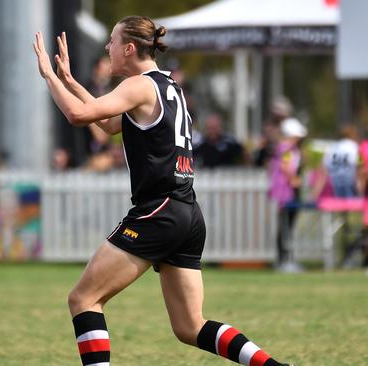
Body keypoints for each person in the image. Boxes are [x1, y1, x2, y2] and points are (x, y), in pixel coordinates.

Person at [33, 16, 292, 366]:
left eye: (112, 41)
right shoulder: (168, 86)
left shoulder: (139, 85)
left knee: (83, 299)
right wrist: (70, 81)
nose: (107, 48)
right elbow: (110, 124)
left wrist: (49, 77)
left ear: (128, 48)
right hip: (186, 212)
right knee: (190, 326)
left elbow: (79, 115)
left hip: (159, 210)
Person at [268, 117, 307, 272]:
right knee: (285, 225)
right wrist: (295, 179)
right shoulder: (286, 149)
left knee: (286, 226)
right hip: (286, 191)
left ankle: (285, 258)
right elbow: (285, 167)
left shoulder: (286, 148)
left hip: (286, 191)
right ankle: (284, 259)